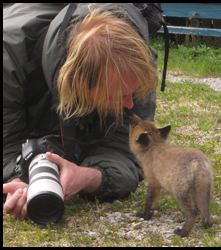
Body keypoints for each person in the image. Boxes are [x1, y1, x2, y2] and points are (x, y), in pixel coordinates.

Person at [3, 3, 158, 221]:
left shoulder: (135, 60)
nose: (130, 104)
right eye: (117, 97)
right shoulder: (8, 59)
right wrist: (17, 179)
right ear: (75, 81)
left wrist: (89, 177)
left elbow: (130, 153)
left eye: (132, 93)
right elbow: (6, 145)